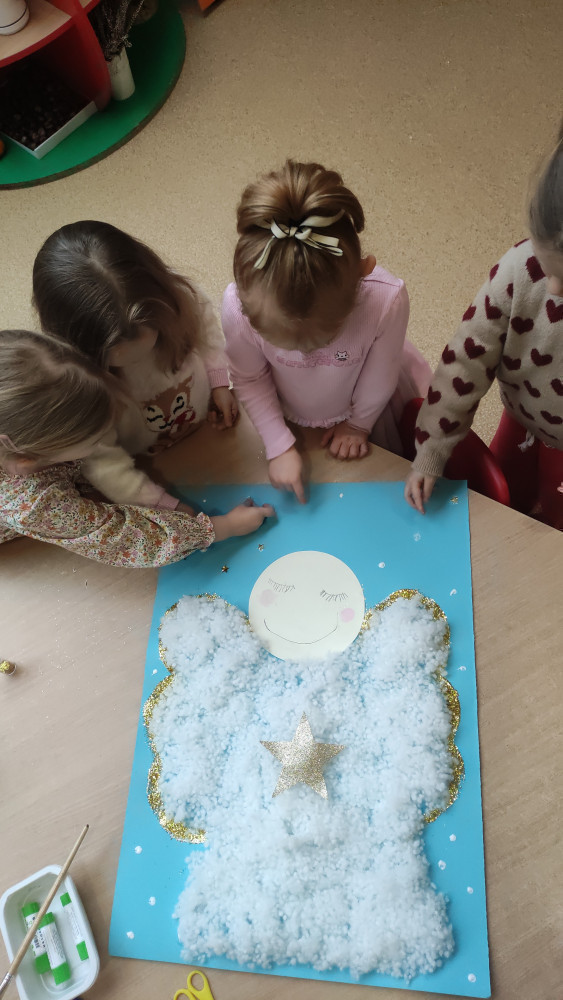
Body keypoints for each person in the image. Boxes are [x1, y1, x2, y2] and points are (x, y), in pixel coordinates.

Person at [222, 160, 431, 502]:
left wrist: (358, 425)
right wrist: (278, 444)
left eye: (320, 340)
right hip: (286, 409)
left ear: (363, 274)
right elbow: (249, 376)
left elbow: (380, 378)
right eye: (282, 342)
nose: (303, 354)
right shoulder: (237, 308)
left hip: (369, 407)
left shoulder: (385, 301)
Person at [0, 330, 274, 567]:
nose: (104, 440)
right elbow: (127, 540)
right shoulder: (37, 505)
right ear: (28, 459)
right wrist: (221, 527)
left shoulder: (26, 398)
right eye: (95, 440)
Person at [405, 126, 563, 529]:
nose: (554, 290)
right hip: (522, 418)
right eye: (547, 269)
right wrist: (431, 450)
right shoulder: (519, 269)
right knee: (503, 501)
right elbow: (464, 363)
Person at [32, 220, 238, 510]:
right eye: (119, 358)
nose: (140, 359)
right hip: (148, 468)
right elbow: (103, 463)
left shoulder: (181, 299)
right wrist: (163, 504)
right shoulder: (77, 388)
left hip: (206, 432)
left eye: (150, 345)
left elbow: (209, 336)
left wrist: (219, 384)